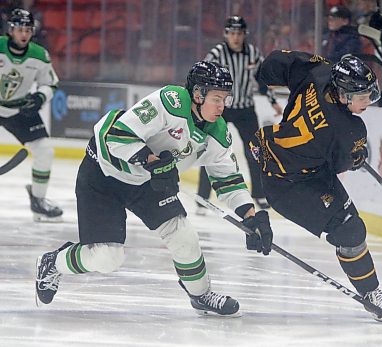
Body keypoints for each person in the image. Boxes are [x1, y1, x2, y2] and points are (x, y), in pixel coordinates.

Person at [35, 61, 274, 317]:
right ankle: (53, 262)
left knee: (183, 236)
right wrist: (152, 162)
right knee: (107, 258)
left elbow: (228, 179)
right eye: (217, 98)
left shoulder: (217, 132)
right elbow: (117, 135)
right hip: (103, 173)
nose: (222, 106)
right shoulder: (169, 102)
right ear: (197, 94)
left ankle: (200, 294)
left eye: (225, 99)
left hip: (148, 181)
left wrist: (250, 216)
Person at [250, 50, 382, 321]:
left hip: (283, 159)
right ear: (344, 95)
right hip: (287, 184)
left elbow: (281, 62)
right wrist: (357, 157)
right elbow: (341, 163)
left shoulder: (320, 73)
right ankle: (371, 292)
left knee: (351, 227)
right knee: (349, 229)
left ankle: (372, 291)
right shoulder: (350, 130)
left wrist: (263, 75)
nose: (368, 100)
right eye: (362, 96)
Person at [196, 15, 282, 215]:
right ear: (226, 34)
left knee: (255, 151)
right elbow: (201, 76)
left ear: (245, 35)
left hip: (245, 109)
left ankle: (259, 194)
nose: (236, 37)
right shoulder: (216, 54)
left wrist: (273, 102)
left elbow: (263, 80)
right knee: (209, 149)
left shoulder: (253, 53)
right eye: (232, 33)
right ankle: (202, 196)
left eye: (239, 33)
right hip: (221, 109)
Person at [0, 8, 62, 222]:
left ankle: (38, 200)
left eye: (28, 29)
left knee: (45, 151)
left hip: (20, 108)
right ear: (11, 30)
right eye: (19, 29)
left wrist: (38, 98)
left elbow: (50, 83)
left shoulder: (39, 55)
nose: (24, 34)